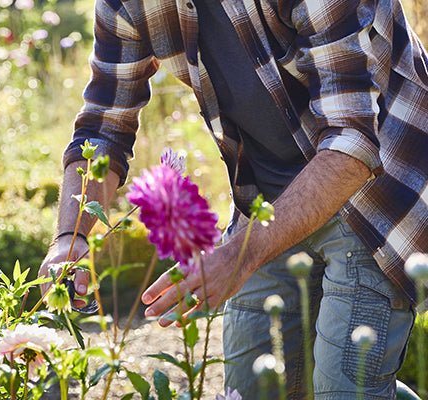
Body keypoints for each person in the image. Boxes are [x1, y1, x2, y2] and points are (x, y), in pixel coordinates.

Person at [39, 0, 428, 398]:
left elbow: (353, 141)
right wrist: (72, 236)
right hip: (266, 206)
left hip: (377, 193)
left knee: (342, 389)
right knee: (252, 389)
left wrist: (238, 255)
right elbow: (103, 127)